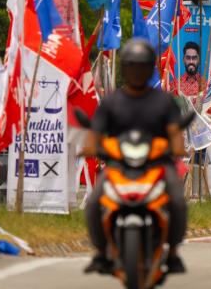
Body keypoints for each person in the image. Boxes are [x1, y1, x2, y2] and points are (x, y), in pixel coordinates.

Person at [82, 39, 188, 275]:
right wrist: (90, 147)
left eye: (142, 66)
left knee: (178, 202)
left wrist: (177, 148)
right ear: (124, 68)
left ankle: (173, 254)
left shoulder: (164, 101)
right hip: (118, 166)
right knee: (93, 203)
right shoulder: (111, 102)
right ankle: (101, 253)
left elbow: (175, 132)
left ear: (151, 68)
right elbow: (95, 132)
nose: (137, 72)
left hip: (158, 165)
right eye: (132, 66)